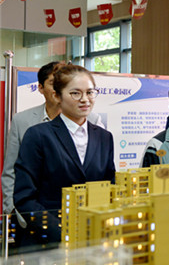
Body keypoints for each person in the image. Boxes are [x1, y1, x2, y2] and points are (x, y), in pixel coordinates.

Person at [13, 64, 116, 248]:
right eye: (75, 93)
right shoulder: (38, 135)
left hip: (92, 240)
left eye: (90, 92)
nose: (85, 99)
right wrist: (62, 233)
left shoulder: (104, 137)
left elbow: (110, 187)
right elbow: (24, 197)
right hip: (47, 242)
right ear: (57, 96)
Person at [2, 61, 104, 215]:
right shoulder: (25, 123)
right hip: (36, 215)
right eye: (53, 83)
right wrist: (13, 210)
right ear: (41, 88)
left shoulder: (94, 123)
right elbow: (11, 171)